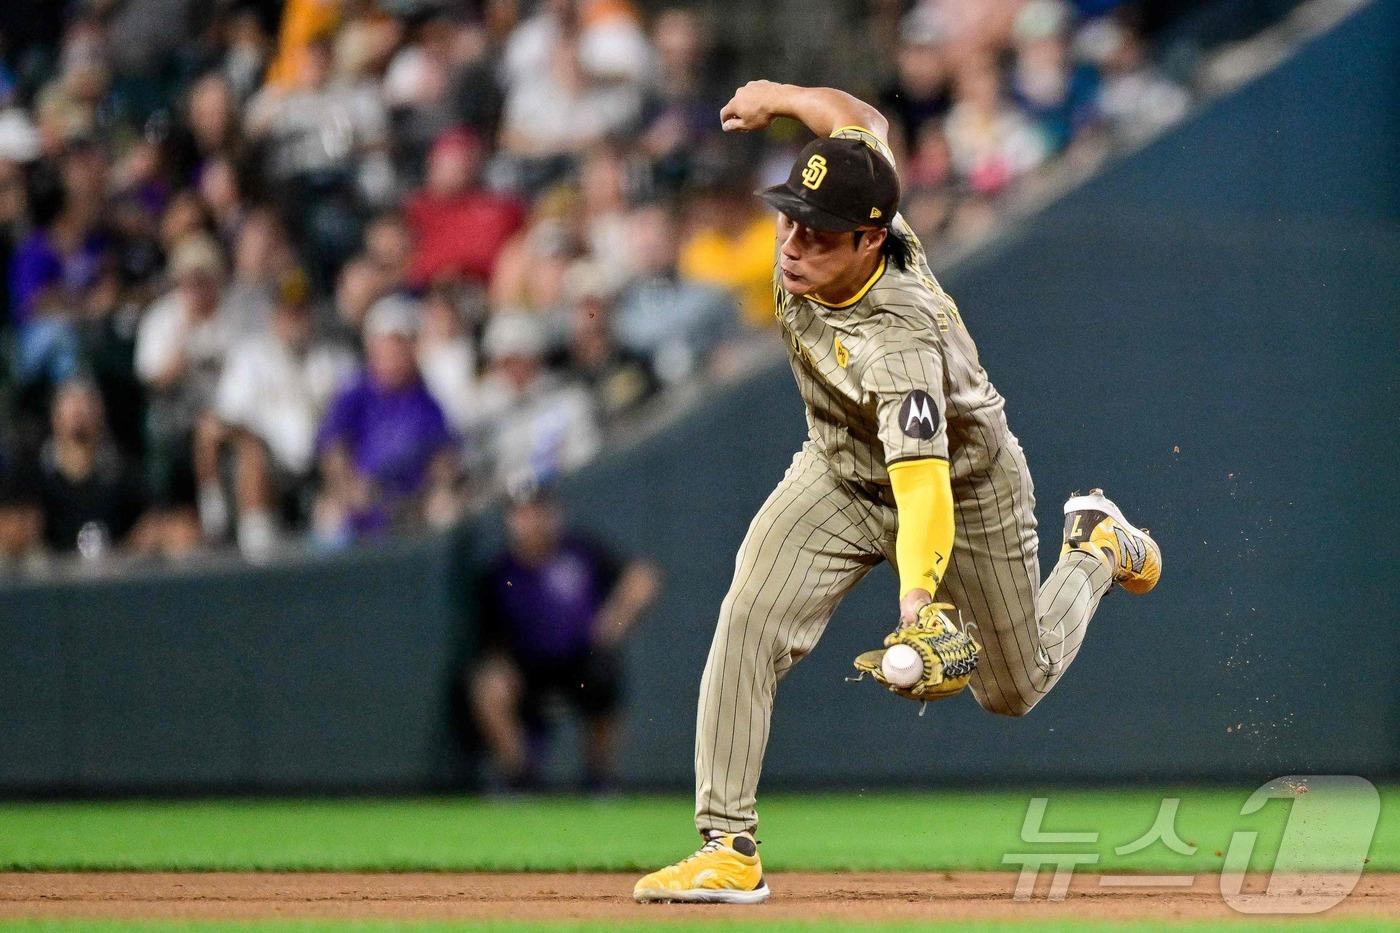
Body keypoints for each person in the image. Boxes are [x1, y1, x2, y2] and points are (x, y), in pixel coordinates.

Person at [633, 81, 1162, 904]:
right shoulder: (858, 180)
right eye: (789, 218)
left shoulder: (900, 341)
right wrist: (779, 95)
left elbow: (923, 494)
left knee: (1014, 687)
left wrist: (918, 601)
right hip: (840, 468)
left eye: (819, 233)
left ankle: (1094, 549)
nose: (794, 242)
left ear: (871, 239)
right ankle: (727, 845)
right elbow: (863, 122)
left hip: (963, 482)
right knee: (750, 614)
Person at [468, 479, 660, 792]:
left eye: (538, 511)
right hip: (527, 667)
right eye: (522, 514)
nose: (531, 522)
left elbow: (644, 578)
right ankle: (521, 777)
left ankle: (600, 779)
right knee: (488, 686)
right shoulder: (499, 572)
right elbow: (489, 640)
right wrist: (499, 664)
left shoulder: (581, 552)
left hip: (581, 660)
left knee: (605, 674)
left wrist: (614, 620)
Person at [313, 295, 457, 544]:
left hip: (409, 505)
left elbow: (443, 458)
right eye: (385, 344)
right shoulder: (353, 394)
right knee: (329, 517)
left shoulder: (427, 402)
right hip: (359, 499)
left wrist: (438, 490)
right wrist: (348, 488)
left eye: (399, 345)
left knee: (445, 511)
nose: (392, 354)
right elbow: (332, 450)